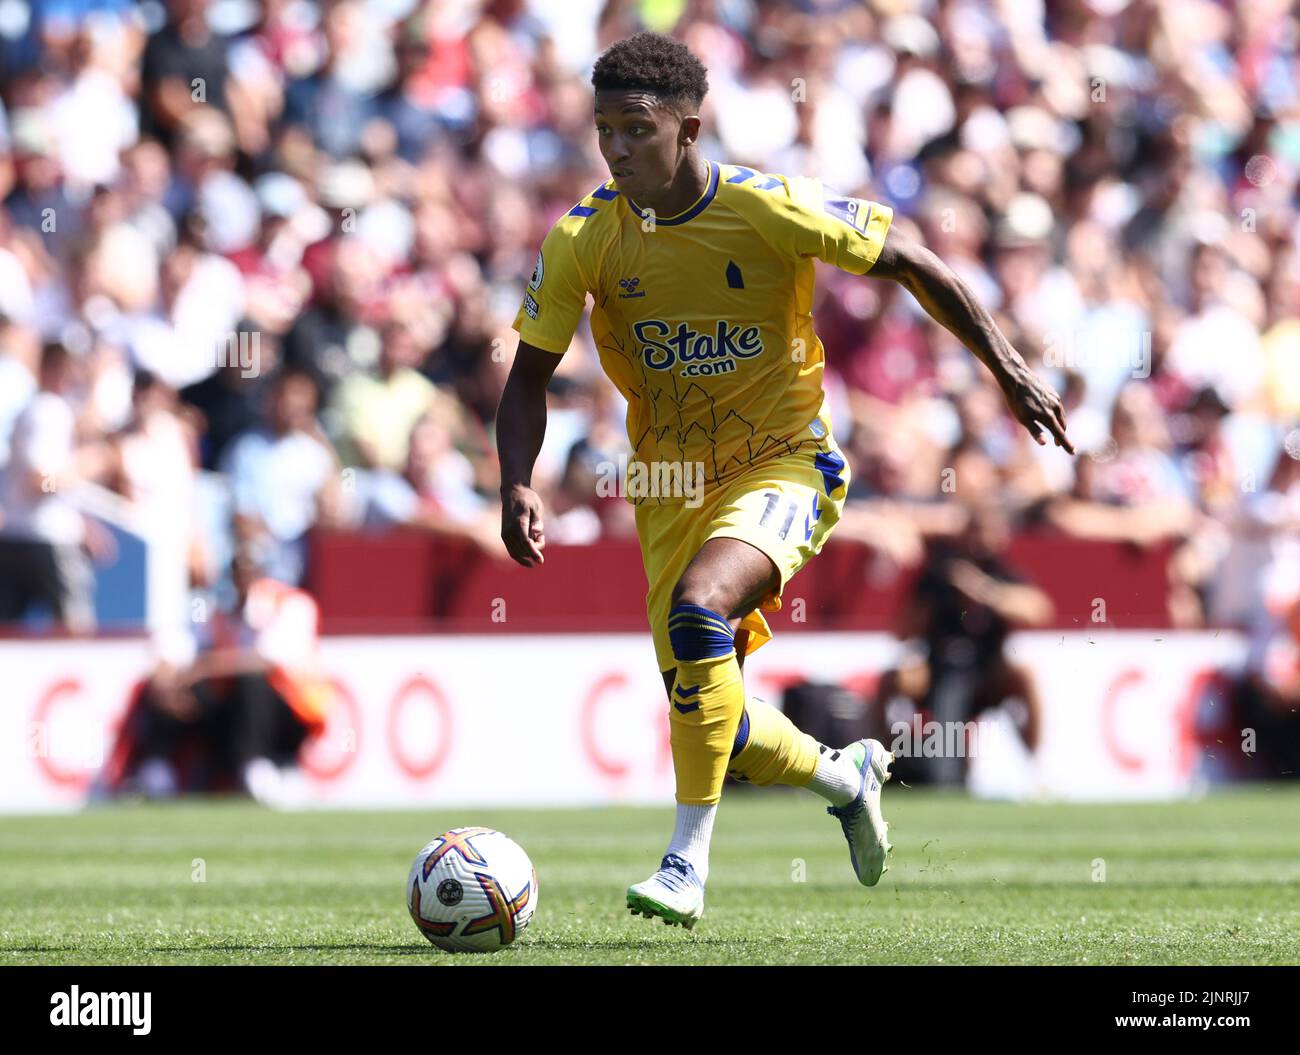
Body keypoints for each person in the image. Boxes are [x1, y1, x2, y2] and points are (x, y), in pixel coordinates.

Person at [495, 32, 1073, 929]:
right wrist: (515, 482)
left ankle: (685, 863)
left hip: (786, 461)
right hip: (671, 484)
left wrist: (1009, 372)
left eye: (635, 130)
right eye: (603, 129)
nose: (614, 149)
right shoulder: (585, 237)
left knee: (699, 614)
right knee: (705, 690)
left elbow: (916, 260)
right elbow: (528, 374)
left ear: (689, 128)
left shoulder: (767, 209)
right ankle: (845, 774)